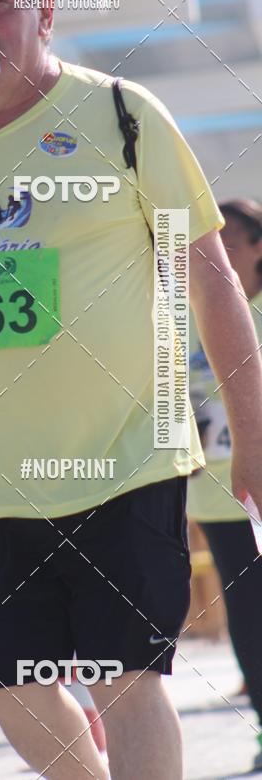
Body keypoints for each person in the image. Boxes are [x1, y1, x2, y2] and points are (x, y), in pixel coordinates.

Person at [0, 0, 262, 780]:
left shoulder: (122, 117)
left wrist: (254, 443)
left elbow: (213, 286)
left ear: (44, 12)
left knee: (128, 679)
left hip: (127, 456)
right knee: (12, 687)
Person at [188, 198, 262, 772]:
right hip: (217, 491)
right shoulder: (185, 313)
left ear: (259, 247)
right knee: (247, 607)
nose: (219, 257)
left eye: (230, 245)